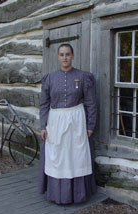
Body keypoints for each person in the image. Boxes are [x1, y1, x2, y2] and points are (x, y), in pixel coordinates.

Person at [39, 43, 97, 204]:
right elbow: (44, 104)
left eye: (68, 54)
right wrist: (43, 126)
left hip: (77, 121)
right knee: (58, 156)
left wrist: (90, 125)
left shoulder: (83, 77)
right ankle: (57, 194)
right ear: (58, 57)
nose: (65, 57)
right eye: (62, 54)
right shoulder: (50, 78)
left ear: (72, 56)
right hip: (56, 121)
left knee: (76, 156)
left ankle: (77, 194)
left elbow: (91, 103)